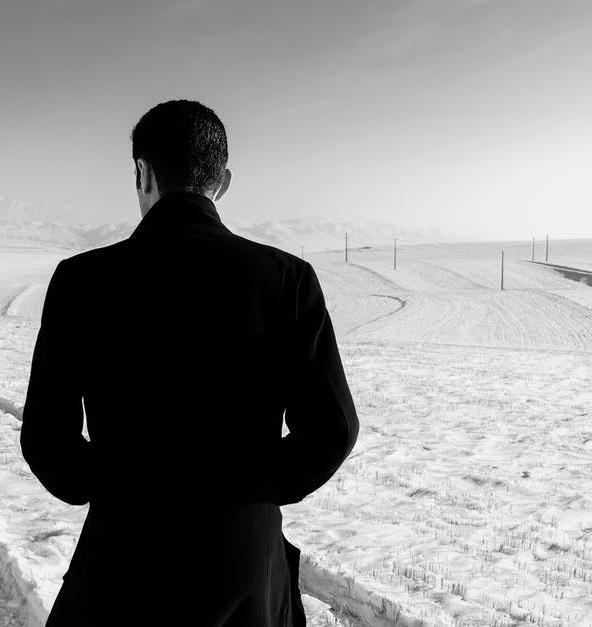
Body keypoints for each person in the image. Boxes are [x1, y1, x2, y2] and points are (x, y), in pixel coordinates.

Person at [20, 99, 359, 626]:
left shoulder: (81, 280)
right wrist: (256, 490)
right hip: (245, 564)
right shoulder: (287, 279)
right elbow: (333, 429)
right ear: (222, 181)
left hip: (121, 559)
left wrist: (110, 484)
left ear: (142, 171)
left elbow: (46, 438)